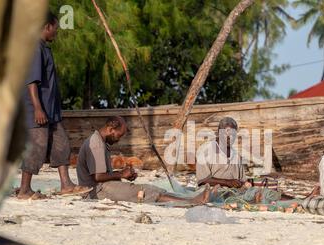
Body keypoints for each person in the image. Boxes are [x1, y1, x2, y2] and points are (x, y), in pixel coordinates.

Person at [18, 12, 91, 200]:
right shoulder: (35, 48)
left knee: (61, 145)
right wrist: (38, 108)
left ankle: (66, 184)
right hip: (38, 110)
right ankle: (24, 189)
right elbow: (31, 82)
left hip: (51, 111)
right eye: (55, 28)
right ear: (47, 26)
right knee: (36, 147)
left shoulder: (44, 48)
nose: (56, 32)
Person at [76, 116, 210, 204]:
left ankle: (189, 199)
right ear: (111, 129)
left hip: (102, 187)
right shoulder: (96, 144)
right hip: (96, 192)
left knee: (152, 188)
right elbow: (98, 176)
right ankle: (190, 202)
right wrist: (122, 174)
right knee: (145, 192)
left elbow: (101, 174)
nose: (118, 139)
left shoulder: (100, 141)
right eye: (119, 135)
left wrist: (123, 174)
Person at [196, 117, 247, 188]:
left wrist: (245, 184)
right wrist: (227, 182)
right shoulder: (206, 150)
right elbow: (202, 180)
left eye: (233, 135)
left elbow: (242, 180)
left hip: (233, 195)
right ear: (219, 133)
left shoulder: (236, 155)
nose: (230, 138)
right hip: (212, 194)